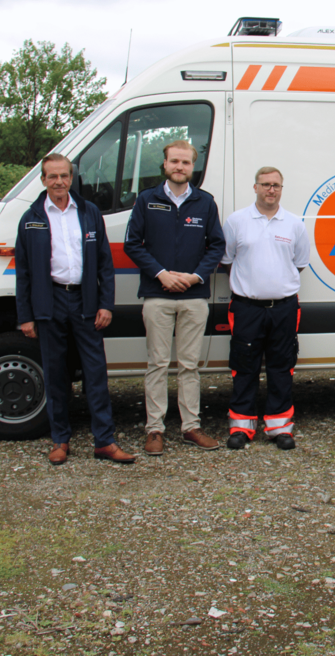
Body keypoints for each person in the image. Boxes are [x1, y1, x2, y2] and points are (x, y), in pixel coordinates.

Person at [15, 154, 135, 465]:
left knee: (96, 374)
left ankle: (104, 442)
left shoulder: (89, 212)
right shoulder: (31, 218)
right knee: (56, 375)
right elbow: (24, 272)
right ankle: (60, 440)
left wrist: (106, 304)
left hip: (86, 301)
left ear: (72, 178)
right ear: (43, 180)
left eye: (64, 176)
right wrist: (25, 315)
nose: (58, 182)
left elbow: (105, 265)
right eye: (52, 176)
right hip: (49, 302)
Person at [123, 140, 226, 456]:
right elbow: (133, 244)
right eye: (175, 162)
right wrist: (161, 274)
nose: (180, 167)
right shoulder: (146, 200)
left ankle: (191, 427)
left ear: (192, 167)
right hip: (157, 294)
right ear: (164, 165)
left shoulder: (205, 203)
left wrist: (196, 276)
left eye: (186, 162)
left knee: (189, 365)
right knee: (156, 364)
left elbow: (216, 246)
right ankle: (155, 430)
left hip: (195, 296)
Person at [222, 167, 309, 450]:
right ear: (255, 187)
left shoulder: (294, 224)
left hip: (284, 308)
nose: (271, 190)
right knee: (243, 367)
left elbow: (298, 264)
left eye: (276, 185)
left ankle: (279, 427)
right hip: (247, 307)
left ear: (282, 189)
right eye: (266, 185)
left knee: (282, 367)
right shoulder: (236, 221)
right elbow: (226, 260)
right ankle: (241, 426)